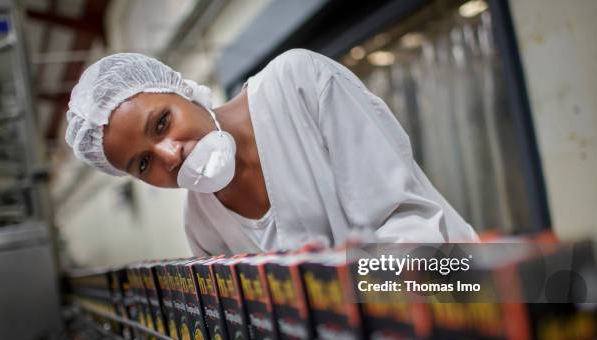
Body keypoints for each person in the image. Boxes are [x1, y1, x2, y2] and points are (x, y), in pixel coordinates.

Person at [65, 49, 477, 256]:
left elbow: (409, 226)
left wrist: (335, 297)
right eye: (143, 163)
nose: (169, 155)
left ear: (182, 89)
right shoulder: (203, 222)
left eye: (161, 123)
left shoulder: (298, 84)